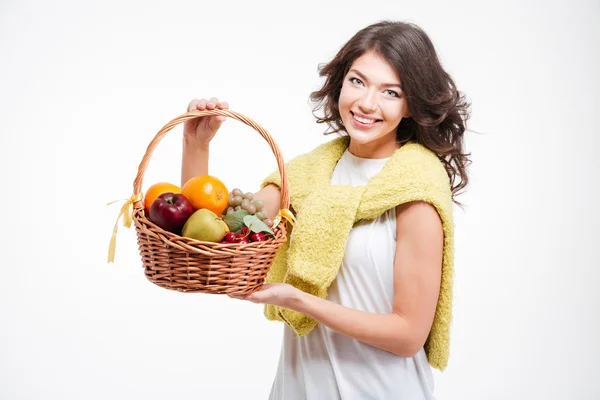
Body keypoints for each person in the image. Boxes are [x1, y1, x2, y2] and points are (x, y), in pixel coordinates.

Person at [181, 20, 470, 400]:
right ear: (340, 83)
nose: (367, 103)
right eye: (357, 81)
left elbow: (407, 335)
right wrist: (196, 144)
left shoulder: (416, 192)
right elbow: (211, 233)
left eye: (390, 92)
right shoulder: (305, 177)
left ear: (412, 105)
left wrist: (298, 299)